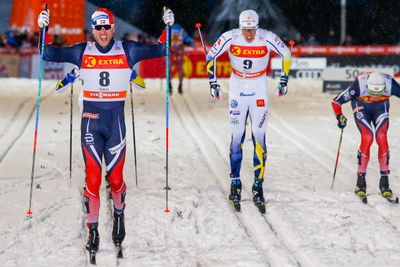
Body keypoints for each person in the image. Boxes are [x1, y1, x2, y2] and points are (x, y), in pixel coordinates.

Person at [37, 7, 174, 254]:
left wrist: (168, 27)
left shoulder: (128, 50)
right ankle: (93, 229)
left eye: (106, 27)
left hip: (115, 123)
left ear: (113, 28)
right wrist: (43, 29)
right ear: (93, 29)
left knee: (117, 179)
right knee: (92, 178)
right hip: (90, 121)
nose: (102, 32)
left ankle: (119, 213)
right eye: (98, 27)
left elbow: (161, 50)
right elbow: (47, 54)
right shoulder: (82, 50)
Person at [206, 10, 291, 213]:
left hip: (259, 87)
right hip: (237, 87)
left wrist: (283, 79)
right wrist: (213, 82)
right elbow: (211, 55)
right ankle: (235, 183)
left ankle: (258, 186)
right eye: (246, 30)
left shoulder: (267, 37)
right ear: (240, 26)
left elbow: (286, 53)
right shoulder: (230, 36)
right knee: (237, 137)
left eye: (252, 30)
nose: (249, 35)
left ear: (257, 27)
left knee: (259, 137)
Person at [331, 71, 400, 200]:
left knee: (382, 137)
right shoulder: (359, 85)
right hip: (361, 106)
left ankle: (384, 182)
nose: (374, 96)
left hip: (380, 108)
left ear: (384, 87)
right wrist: (339, 116)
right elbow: (336, 102)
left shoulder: (391, 84)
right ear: (367, 86)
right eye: (372, 93)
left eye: (379, 93)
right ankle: (360, 182)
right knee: (367, 137)